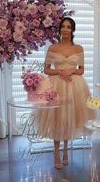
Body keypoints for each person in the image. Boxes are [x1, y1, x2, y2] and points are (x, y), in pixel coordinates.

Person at [36, 17, 95, 170]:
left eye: (69, 27)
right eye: (63, 26)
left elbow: (81, 70)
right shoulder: (53, 48)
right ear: (59, 29)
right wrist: (60, 71)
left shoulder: (79, 48)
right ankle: (56, 152)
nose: (65, 29)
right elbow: (47, 69)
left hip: (75, 85)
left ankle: (65, 150)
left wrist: (72, 70)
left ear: (73, 30)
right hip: (56, 84)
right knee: (57, 117)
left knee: (70, 117)